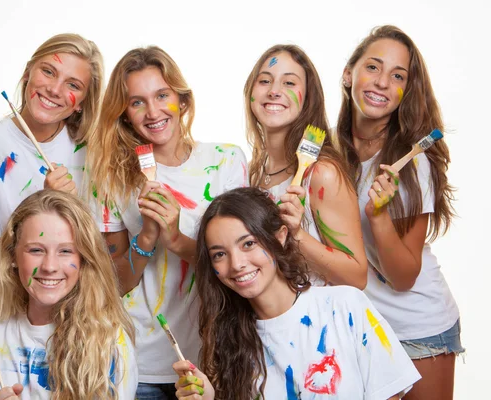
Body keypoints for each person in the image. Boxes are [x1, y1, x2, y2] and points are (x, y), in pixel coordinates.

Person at [87, 46, 248, 399]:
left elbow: (244, 266)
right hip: (136, 360)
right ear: (125, 114)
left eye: (162, 95)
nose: (153, 111)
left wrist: (175, 238)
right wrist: (146, 235)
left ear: (183, 101)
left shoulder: (224, 162)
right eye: (137, 102)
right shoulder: (112, 180)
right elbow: (114, 283)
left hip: (212, 356)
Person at [172, 187, 420, 399]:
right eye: (220, 254)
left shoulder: (345, 307)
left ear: (279, 237)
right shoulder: (226, 342)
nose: (236, 264)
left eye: (248, 244)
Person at [336, 25, 463, 399]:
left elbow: (405, 277)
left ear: (406, 91)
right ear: (349, 73)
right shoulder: (326, 152)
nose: (381, 83)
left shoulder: (413, 164)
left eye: (397, 76)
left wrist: (378, 217)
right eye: (373, 67)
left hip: (417, 330)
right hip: (358, 328)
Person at [0, 189, 137, 399]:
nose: (50, 266)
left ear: (83, 260)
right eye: (36, 250)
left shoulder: (110, 341)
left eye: (65, 251)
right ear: (12, 255)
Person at [0, 33, 103, 277]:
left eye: (73, 85)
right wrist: (45, 204)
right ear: (27, 73)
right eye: (48, 71)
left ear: (82, 103)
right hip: (11, 309)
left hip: (82, 309)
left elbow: (103, 261)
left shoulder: (97, 155)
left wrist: (72, 211)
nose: (54, 89)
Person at [244, 45, 367, 288]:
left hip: (315, 322)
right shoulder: (252, 172)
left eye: (289, 83)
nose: (274, 91)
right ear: (250, 91)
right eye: (265, 80)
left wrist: (297, 234)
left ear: (308, 98)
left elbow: (357, 277)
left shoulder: (323, 174)